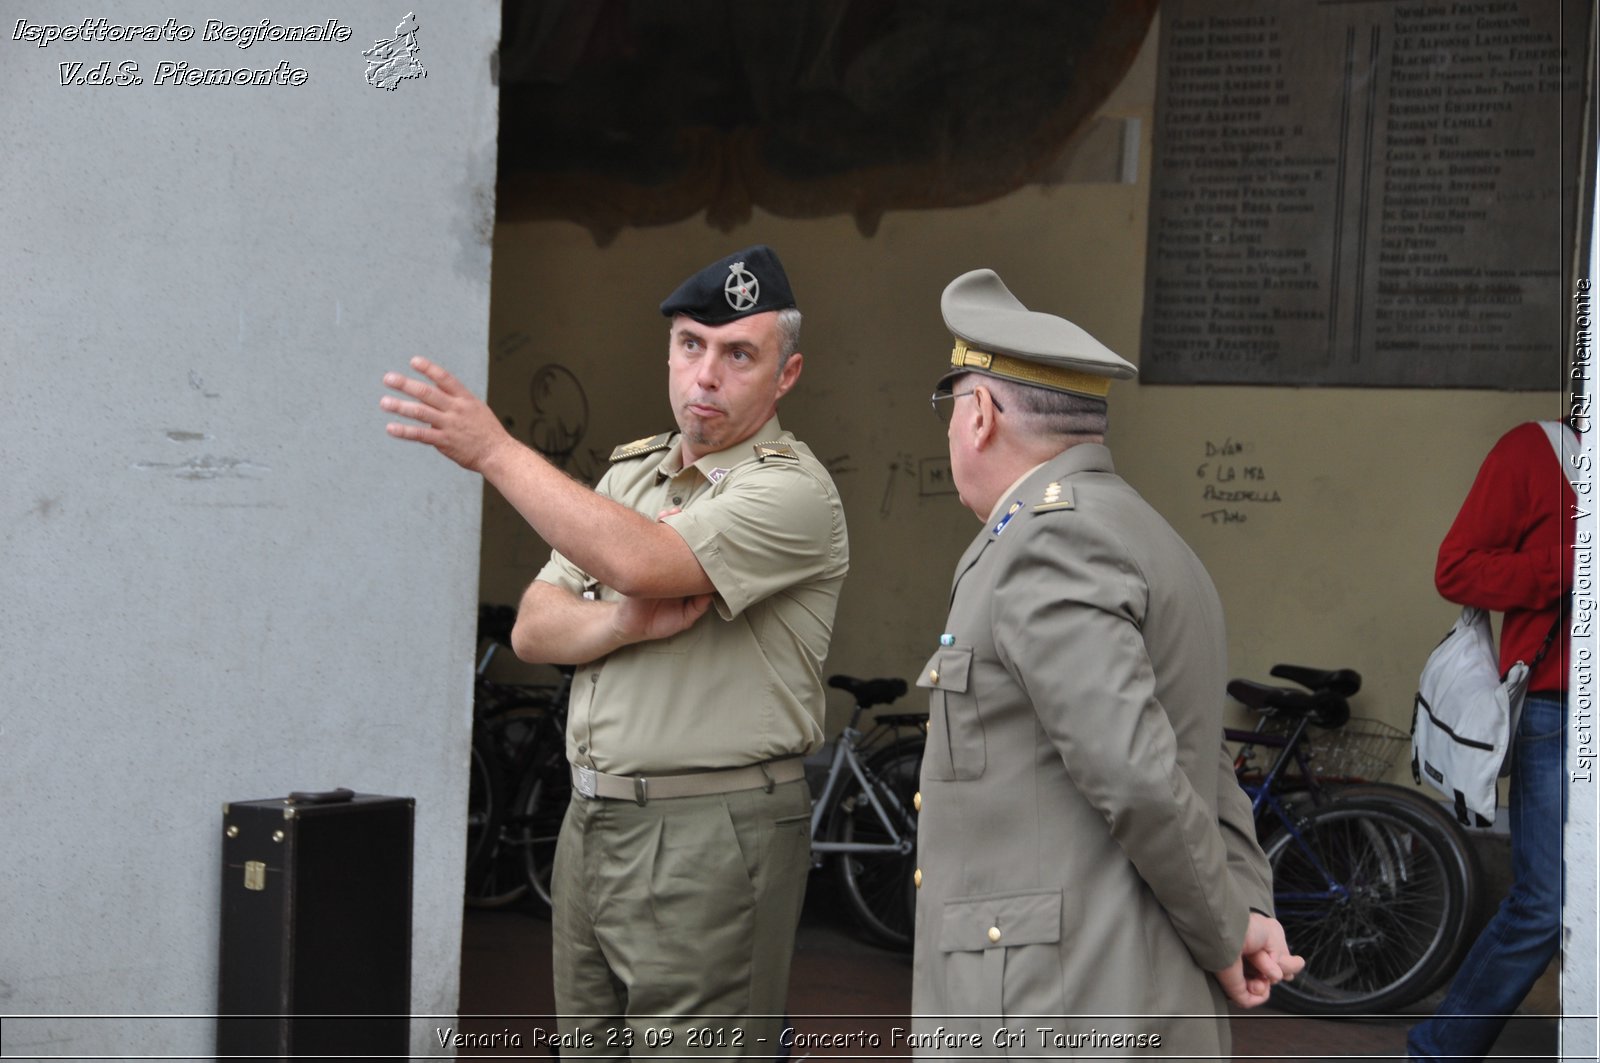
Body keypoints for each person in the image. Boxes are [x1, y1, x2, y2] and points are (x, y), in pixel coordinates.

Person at [381, 246, 849, 1055]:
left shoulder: (792, 490)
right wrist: (623, 624)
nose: (706, 374)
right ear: (669, 352)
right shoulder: (633, 476)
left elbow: (637, 562)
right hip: (592, 818)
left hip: (710, 829)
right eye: (692, 344)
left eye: (739, 354)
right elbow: (533, 626)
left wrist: (494, 450)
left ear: (787, 375)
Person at [910, 269, 1302, 1057]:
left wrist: (1228, 930)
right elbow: (1199, 757)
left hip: (1052, 1006)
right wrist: (1245, 901)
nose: (951, 430)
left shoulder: (1047, 544)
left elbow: (1137, 769)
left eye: (952, 408)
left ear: (979, 413)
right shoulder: (1144, 532)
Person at [1408, 420, 1574, 1062]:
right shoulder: (1537, 450)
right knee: (1544, 904)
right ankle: (1438, 1049)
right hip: (1558, 712)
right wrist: (1571, 562)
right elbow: (1458, 569)